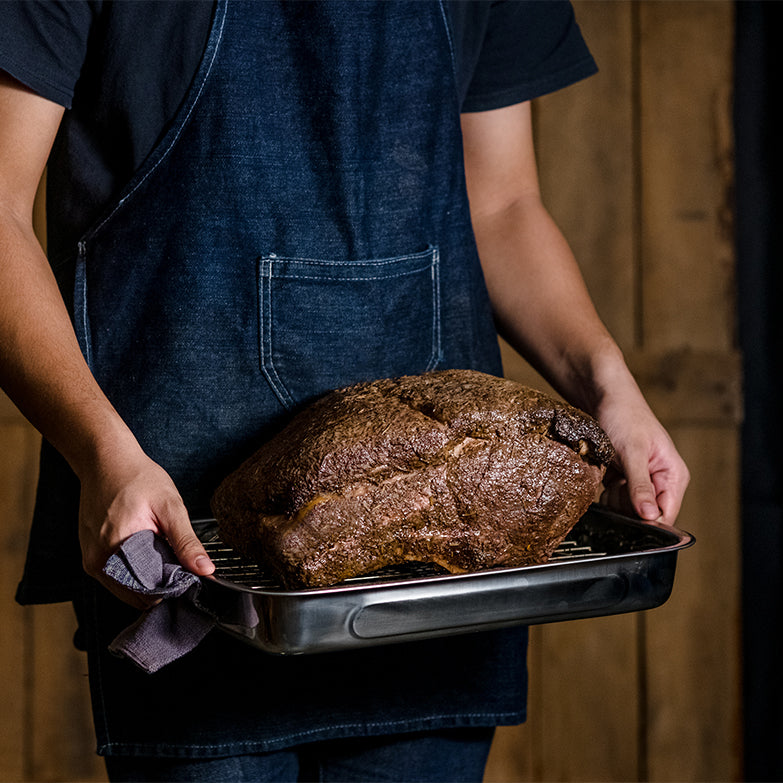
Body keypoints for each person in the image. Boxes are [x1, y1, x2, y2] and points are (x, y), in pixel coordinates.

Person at [0, 1, 689, 781]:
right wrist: (101, 451)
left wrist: (609, 386)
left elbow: (502, 205)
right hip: (182, 534)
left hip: (441, 576)